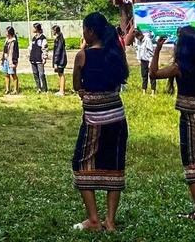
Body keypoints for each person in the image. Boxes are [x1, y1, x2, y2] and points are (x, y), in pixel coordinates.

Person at [149, 27, 195, 221]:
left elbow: (153, 73)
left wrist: (157, 49)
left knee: (193, 162)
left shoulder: (179, 67)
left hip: (191, 118)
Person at [68, 13, 130, 231]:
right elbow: (119, 80)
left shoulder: (82, 56)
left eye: (84, 29)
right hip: (117, 118)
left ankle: (93, 219)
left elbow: (77, 85)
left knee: (81, 163)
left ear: (91, 32)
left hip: (94, 119)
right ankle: (110, 221)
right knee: (114, 164)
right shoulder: (115, 53)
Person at [133, 29, 156, 96]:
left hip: (149, 60)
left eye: (138, 37)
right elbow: (137, 50)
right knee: (144, 76)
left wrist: (150, 62)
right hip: (142, 60)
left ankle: (153, 92)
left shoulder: (147, 40)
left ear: (141, 35)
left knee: (152, 76)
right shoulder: (137, 41)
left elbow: (151, 51)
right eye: (136, 38)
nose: (138, 39)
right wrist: (139, 59)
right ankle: (144, 92)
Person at [29, 23, 49, 94]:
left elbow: (45, 48)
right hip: (33, 58)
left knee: (41, 74)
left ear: (37, 29)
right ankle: (38, 88)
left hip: (39, 59)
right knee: (35, 73)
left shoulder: (43, 38)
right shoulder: (34, 38)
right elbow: (31, 48)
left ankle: (45, 88)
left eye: (33, 28)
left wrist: (44, 57)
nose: (32, 29)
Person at [2, 27, 20, 95]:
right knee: (6, 74)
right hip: (6, 60)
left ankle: (15, 90)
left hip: (11, 60)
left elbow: (15, 52)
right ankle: (7, 89)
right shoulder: (6, 40)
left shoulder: (14, 41)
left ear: (9, 33)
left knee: (13, 74)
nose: (5, 33)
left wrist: (14, 62)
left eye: (6, 31)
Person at [52, 25, 68, 97]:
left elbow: (58, 51)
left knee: (61, 74)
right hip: (60, 59)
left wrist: (55, 62)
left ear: (55, 31)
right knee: (60, 74)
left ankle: (62, 91)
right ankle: (61, 90)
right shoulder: (58, 38)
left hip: (61, 60)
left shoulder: (59, 39)